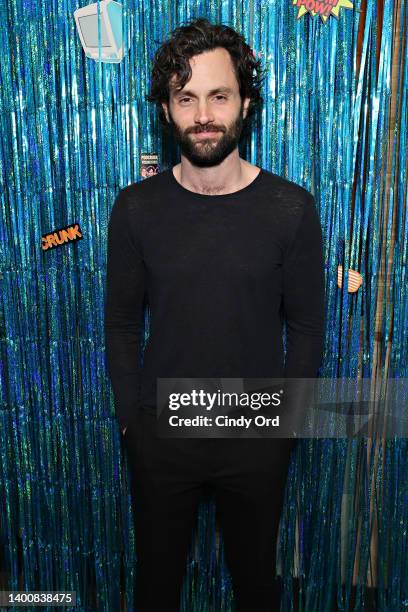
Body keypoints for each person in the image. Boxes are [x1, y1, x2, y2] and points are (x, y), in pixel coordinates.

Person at [104, 17, 325, 612]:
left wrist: (289, 427)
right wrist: (133, 421)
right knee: (156, 587)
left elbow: (306, 326)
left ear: (245, 104)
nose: (203, 113)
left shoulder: (291, 209)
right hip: (162, 430)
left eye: (218, 95)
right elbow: (122, 324)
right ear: (168, 109)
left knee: (256, 585)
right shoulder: (135, 209)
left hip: (255, 430)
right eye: (186, 97)